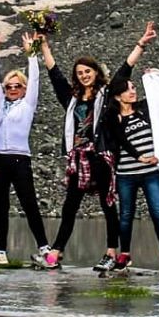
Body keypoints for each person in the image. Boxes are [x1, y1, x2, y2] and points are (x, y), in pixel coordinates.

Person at [35, 38, 122, 271]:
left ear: (96, 72)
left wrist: (140, 47)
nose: (84, 75)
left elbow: (125, 71)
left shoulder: (106, 96)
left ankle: (111, 252)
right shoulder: (72, 99)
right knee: (70, 206)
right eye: (80, 73)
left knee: (108, 204)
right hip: (79, 158)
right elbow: (56, 76)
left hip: (100, 156)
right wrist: (45, 47)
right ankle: (56, 252)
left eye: (87, 71)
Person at [106, 22, 159, 271]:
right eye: (128, 89)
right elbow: (120, 140)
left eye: (134, 88)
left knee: (158, 212)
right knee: (126, 215)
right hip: (127, 172)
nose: (132, 91)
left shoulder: (143, 109)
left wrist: (157, 77)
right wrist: (139, 156)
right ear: (118, 94)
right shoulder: (112, 116)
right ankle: (124, 254)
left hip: (151, 170)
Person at [0, 32, 50, 265]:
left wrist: (31, 52)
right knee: (0, 205)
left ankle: (44, 248)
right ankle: (0, 250)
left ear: (23, 88)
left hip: (20, 159)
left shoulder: (28, 104)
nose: (12, 89)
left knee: (29, 202)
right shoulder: (0, 105)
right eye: (9, 86)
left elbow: (36, 80)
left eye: (17, 86)